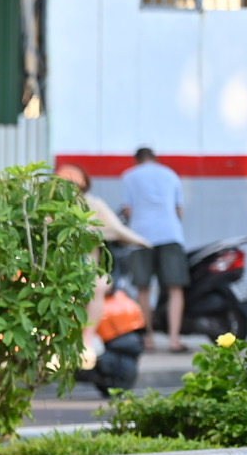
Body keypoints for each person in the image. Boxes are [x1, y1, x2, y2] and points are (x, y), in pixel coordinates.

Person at [55, 163, 150, 363]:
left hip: (90, 270)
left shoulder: (94, 205)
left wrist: (142, 242)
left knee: (98, 285)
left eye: (75, 181)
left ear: (84, 184)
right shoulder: (50, 206)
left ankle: (86, 342)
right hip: (57, 272)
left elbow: (116, 229)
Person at [119, 148, 188, 352]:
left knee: (143, 288)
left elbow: (128, 209)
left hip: (141, 236)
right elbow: (179, 209)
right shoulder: (170, 174)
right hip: (170, 233)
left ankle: (148, 338)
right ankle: (174, 339)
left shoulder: (129, 176)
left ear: (136, 160)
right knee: (175, 288)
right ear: (154, 158)